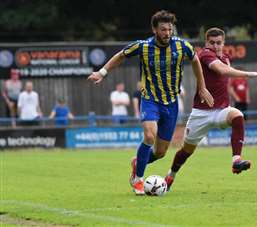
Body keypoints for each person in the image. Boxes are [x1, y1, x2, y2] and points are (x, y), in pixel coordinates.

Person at [87, 10, 214, 195]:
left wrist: (201, 87)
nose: (167, 33)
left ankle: (138, 161)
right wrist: (102, 72)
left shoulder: (182, 46)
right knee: (149, 136)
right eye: (163, 29)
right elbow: (121, 55)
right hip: (150, 100)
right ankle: (138, 179)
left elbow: (195, 60)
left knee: (161, 152)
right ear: (154, 29)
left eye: (170, 29)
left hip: (171, 103)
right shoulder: (143, 46)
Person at [164, 27, 257, 191]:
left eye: (219, 43)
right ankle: (171, 175)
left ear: (223, 43)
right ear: (206, 43)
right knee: (186, 151)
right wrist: (249, 74)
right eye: (212, 43)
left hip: (221, 111)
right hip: (201, 113)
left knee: (238, 116)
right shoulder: (204, 55)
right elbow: (222, 70)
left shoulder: (225, 57)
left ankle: (236, 161)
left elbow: (225, 75)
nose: (215, 46)